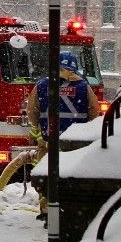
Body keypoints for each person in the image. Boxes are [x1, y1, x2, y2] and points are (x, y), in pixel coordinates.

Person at [26, 50, 100, 222]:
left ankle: (47, 210)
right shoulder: (83, 87)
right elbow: (94, 111)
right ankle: (69, 208)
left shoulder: (42, 85)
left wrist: (36, 130)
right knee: (71, 175)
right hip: (74, 143)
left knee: (47, 176)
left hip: (48, 140)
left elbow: (32, 110)